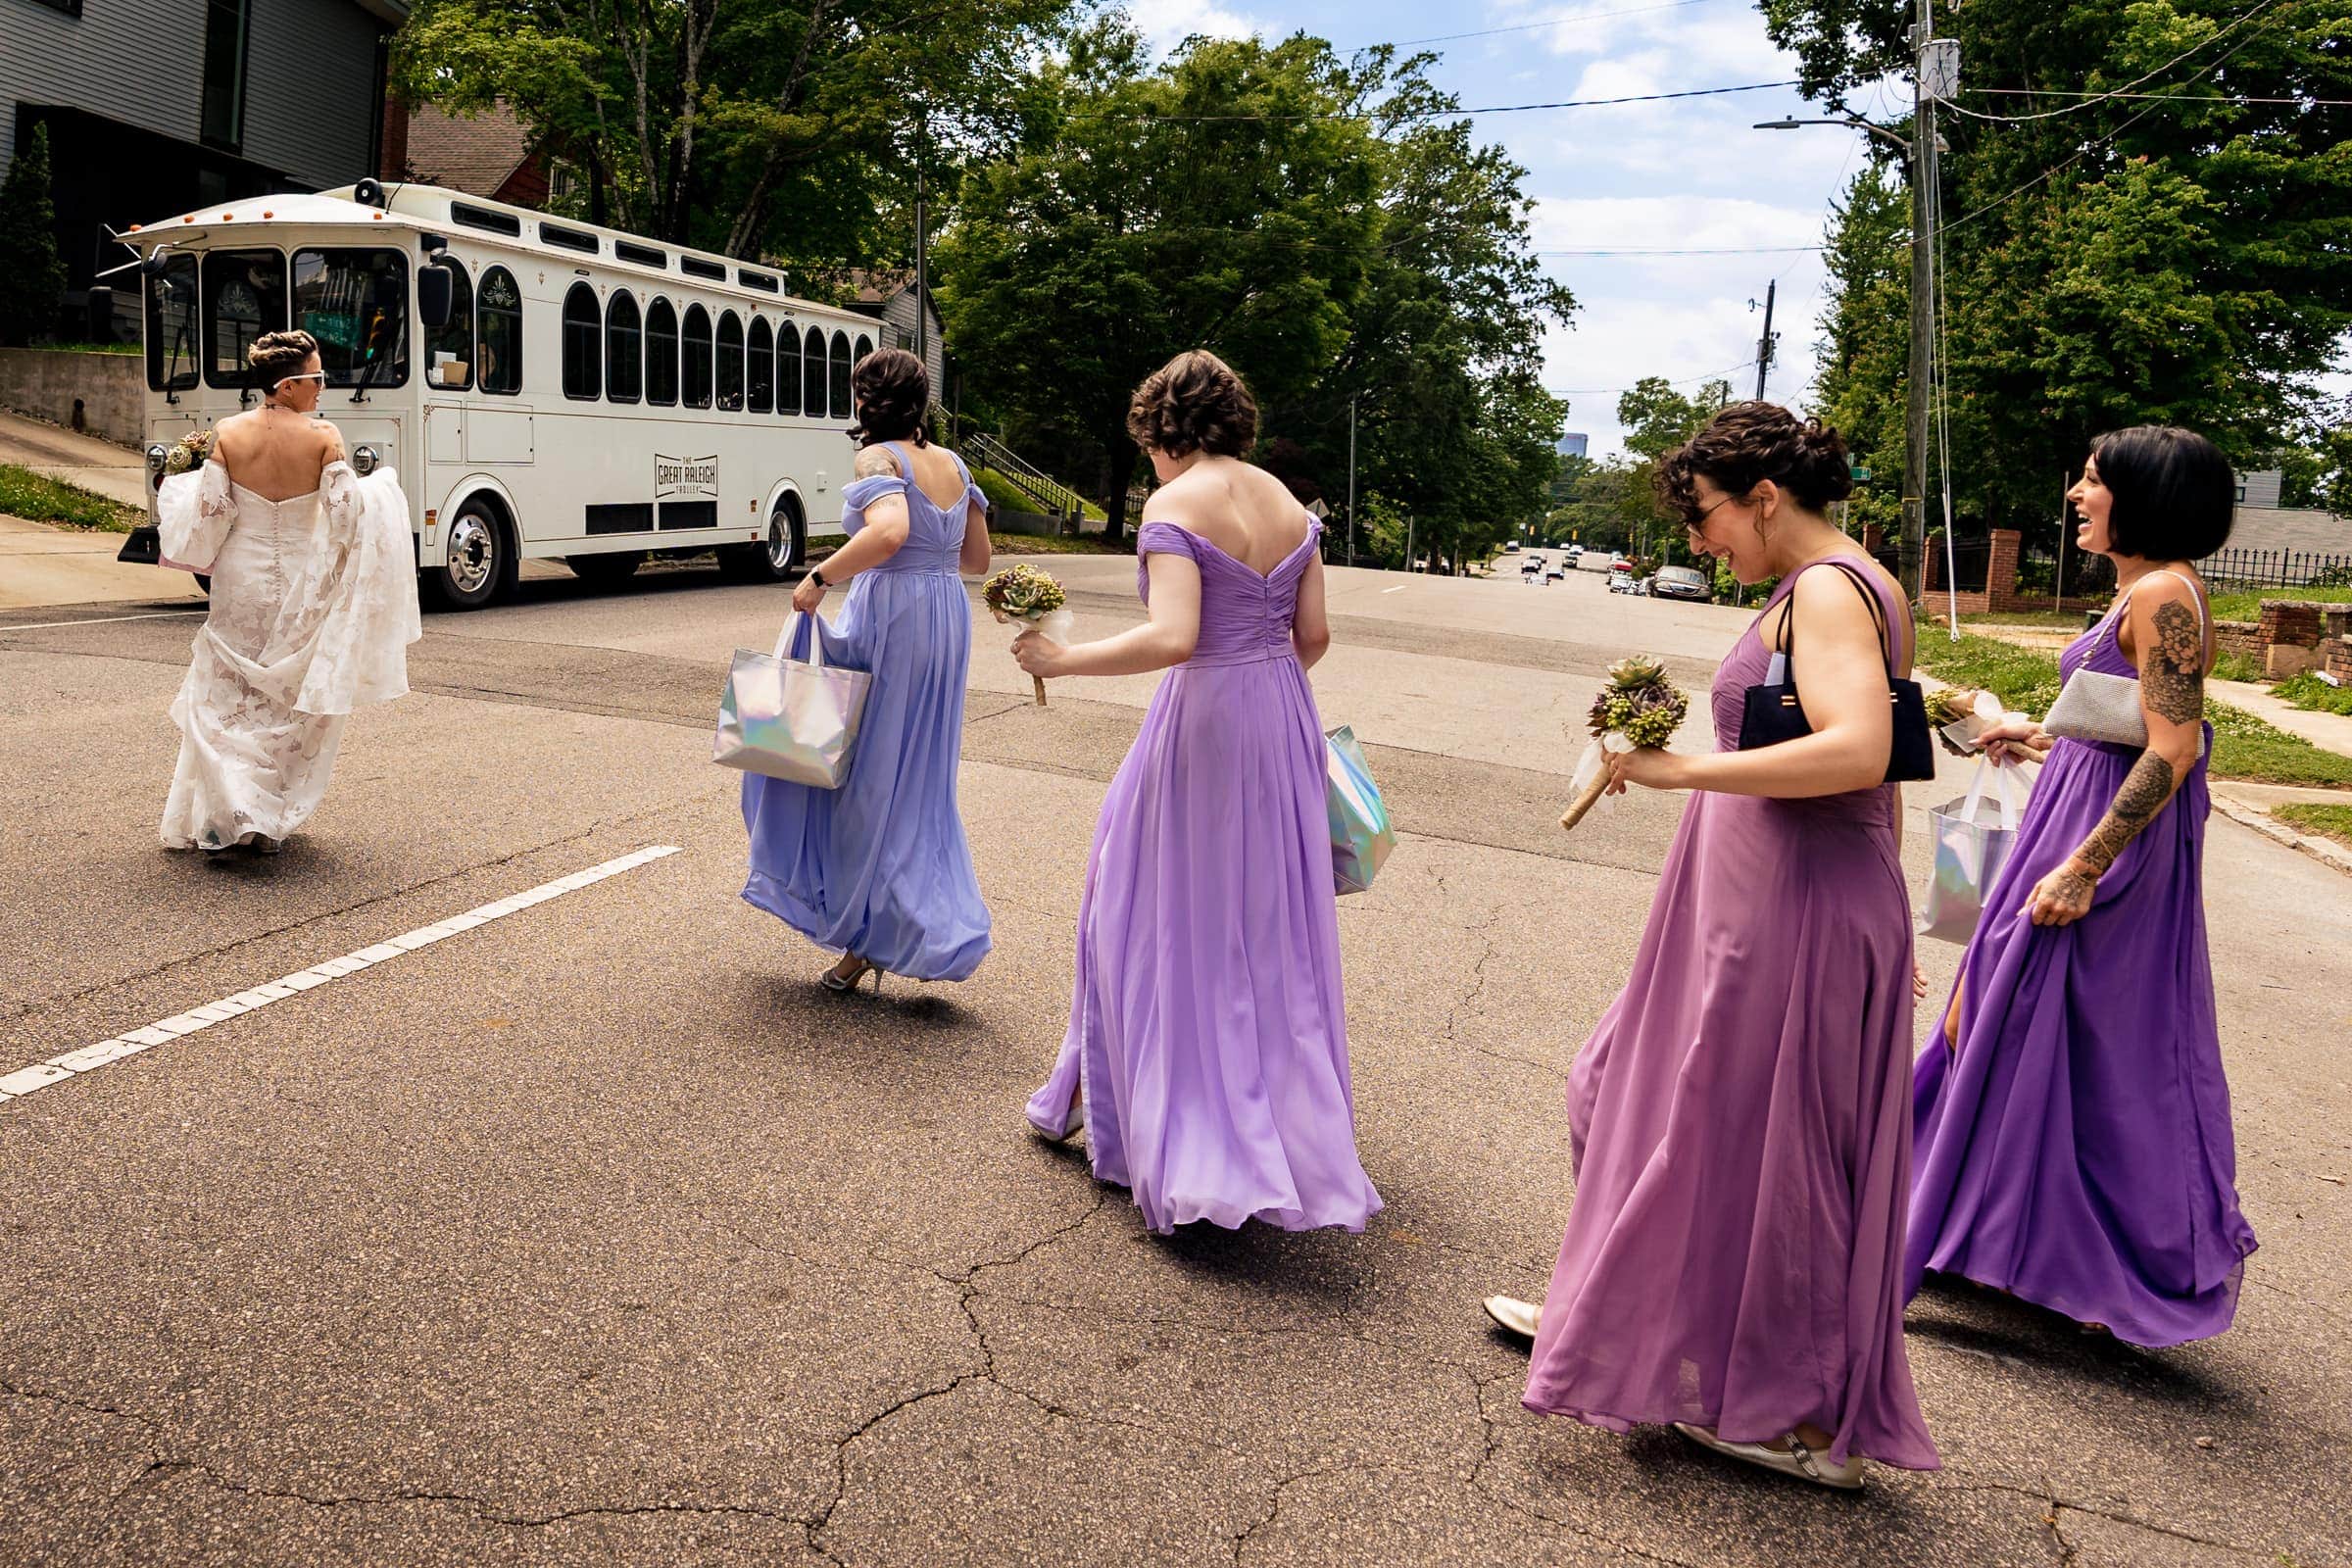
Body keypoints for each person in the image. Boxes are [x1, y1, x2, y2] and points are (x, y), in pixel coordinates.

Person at [1485, 403, 1938, 1488]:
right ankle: (1624, 1296)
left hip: (1790, 904)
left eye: (1704, 516)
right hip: (1780, 898)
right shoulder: (1851, 583)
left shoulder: (1830, 589)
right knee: (1630, 1088)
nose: (1698, 540)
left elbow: (1864, 746)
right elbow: (1900, 751)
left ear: (1765, 497)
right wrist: (1891, 898)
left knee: (1761, 1149)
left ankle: (1798, 1419)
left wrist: (1681, 768)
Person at [1018, 350, 1381, 1236]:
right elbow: (1315, 634)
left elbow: (1174, 635)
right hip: (1282, 711)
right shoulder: (1291, 505)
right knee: (1265, 925)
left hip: (1206, 722)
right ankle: (1277, 1128)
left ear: (1163, 433)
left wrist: (1062, 659)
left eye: (1148, 446)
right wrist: (1264, 684)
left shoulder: (1174, 503)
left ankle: (1176, 1129)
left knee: (1151, 909)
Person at [1908, 426, 2257, 1345]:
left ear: (2143, 496)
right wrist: (2031, 734)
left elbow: (2174, 750)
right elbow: (2125, 721)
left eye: (2093, 482)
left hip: (2106, 838)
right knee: (2014, 1011)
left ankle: (2054, 1247)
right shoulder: (2141, 590)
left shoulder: (2168, 596)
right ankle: (1988, 1232)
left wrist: (2084, 865)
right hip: (2073, 803)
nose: (2075, 494)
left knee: (2050, 1020)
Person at [740, 348, 992, 990]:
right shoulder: (955, 464)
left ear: (869, 400)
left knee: (865, 778)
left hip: (895, 618)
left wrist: (820, 577)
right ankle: (917, 927)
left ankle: (864, 938)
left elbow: (888, 532)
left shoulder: (879, 459)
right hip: (945, 620)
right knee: (920, 782)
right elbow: (977, 559)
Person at [156, 330, 420, 855]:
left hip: (241, 579)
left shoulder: (227, 434)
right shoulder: (325, 438)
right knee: (286, 704)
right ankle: (262, 815)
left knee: (228, 696)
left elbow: (211, 520)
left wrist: (180, 496)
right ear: (290, 384)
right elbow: (345, 520)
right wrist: (378, 492)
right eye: (317, 378)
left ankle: (233, 813)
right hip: (304, 580)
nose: (323, 388)